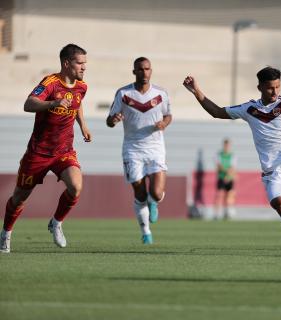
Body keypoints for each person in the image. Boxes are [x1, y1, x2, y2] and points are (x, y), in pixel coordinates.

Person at [183, 66, 281, 256]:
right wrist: (196, 91)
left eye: (277, 87)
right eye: (270, 88)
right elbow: (216, 111)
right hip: (273, 170)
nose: (275, 92)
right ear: (260, 87)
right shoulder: (249, 109)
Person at [0, 44, 92, 253]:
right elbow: (29, 103)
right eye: (80, 63)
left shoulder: (82, 86)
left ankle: (56, 222)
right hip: (38, 153)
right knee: (19, 199)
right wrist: (52, 103)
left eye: (85, 63)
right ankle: (6, 233)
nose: (84, 67)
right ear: (67, 63)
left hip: (64, 151)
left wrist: (83, 125)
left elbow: (77, 103)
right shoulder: (50, 83)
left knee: (76, 186)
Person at [106, 57, 172, 245]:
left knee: (157, 193)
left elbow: (168, 115)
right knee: (140, 194)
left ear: (151, 70)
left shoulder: (161, 93)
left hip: (155, 147)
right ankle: (146, 232)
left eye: (147, 69)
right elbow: (109, 121)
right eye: (140, 69)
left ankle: (154, 202)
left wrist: (164, 124)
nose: (144, 72)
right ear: (134, 72)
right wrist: (115, 119)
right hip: (133, 149)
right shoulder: (123, 93)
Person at [214, 138, 236, 220]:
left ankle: (227, 213)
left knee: (228, 196)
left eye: (228, 145)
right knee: (219, 195)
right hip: (221, 177)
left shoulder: (232, 155)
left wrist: (228, 175)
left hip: (229, 178)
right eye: (225, 145)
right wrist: (226, 172)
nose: (226, 147)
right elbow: (219, 166)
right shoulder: (219, 154)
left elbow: (233, 167)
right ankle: (216, 214)